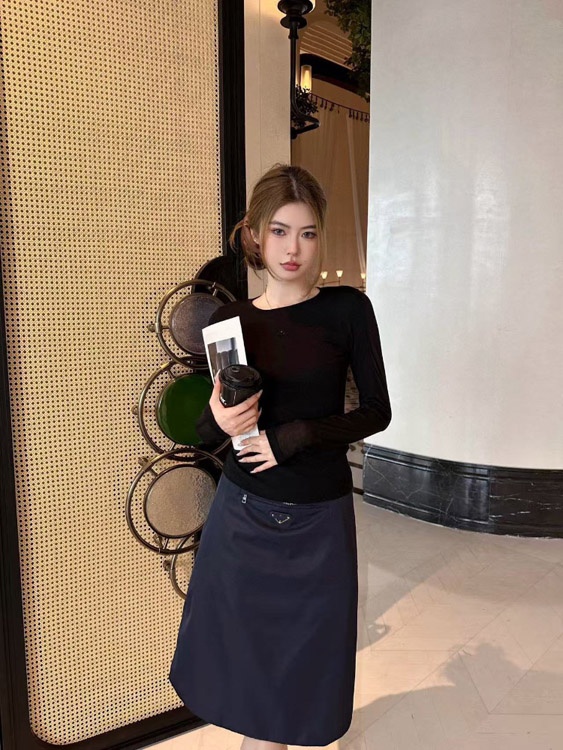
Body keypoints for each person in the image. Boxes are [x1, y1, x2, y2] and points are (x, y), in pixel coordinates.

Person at [169, 164, 392, 749]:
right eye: (280, 231)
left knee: (303, 664)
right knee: (244, 662)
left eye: (308, 233)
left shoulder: (347, 310)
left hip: (318, 517)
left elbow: (377, 411)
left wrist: (293, 437)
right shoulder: (230, 322)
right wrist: (216, 419)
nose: (294, 249)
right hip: (242, 515)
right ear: (255, 235)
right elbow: (208, 429)